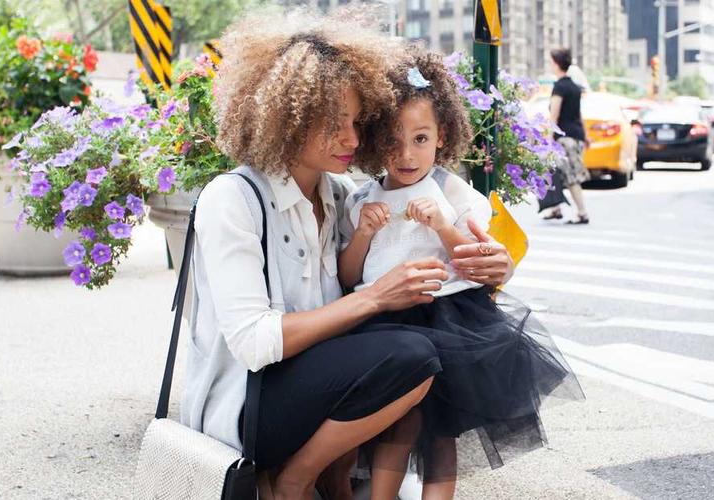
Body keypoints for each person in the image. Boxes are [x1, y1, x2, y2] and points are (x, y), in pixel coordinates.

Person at [182, 10, 516, 500]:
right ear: (286, 120)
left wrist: (499, 267)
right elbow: (254, 343)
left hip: (318, 388)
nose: (354, 141)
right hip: (248, 408)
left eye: (357, 124)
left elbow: (430, 245)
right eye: (335, 126)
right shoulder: (232, 199)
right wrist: (377, 298)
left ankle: (331, 478)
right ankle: (291, 480)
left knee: (420, 353)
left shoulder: (342, 196)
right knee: (410, 352)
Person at [339, 49, 581, 500]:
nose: (406, 154)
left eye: (420, 138)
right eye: (393, 141)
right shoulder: (361, 199)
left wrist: (442, 225)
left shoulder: (453, 191)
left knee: (440, 433)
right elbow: (349, 273)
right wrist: (363, 234)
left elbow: (474, 259)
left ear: (441, 135)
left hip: (447, 322)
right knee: (395, 421)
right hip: (383, 321)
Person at [543, 48, 590, 225]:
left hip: (564, 138)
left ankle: (582, 212)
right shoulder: (574, 87)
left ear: (556, 64)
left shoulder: (560, 87)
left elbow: (554, 116)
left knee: (569, 175)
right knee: (555, 172)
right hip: (576, 136)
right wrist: (585, 137)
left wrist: (548, 139)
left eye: (551, 62)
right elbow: (579, 115)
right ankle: (556, 209)